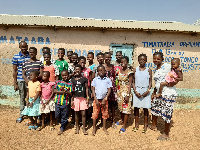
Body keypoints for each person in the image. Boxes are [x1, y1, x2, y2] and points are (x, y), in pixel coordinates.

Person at [151, 52, 181, 141]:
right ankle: (153, 126)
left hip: (168, 93)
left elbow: (177, 74)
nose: (156, 60)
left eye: (158, 59)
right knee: (154, 107)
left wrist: (172, 83)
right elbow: (157, 83)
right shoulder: (156, 69)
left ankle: (166, 133)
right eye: (154, 59)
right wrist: (154, 92)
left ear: (162, 59)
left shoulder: (168, 66)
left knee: (167, 112)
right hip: (158, 92)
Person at [132, 54, 152, 133]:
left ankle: (145, 125)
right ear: (138, 60)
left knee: (145, 109)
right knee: (136, 108)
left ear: (146, 61)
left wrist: (148, 90)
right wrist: (135, 91)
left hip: (145, 91)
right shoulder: (135, 69)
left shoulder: (148, 70)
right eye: (140, 60)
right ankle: (136, 124)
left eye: (143, 60)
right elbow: (133, 81)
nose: (142, 61)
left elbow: (150, 82)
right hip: (137, 90)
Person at [91, 65, 112, 136]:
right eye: (99, 71)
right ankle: (94, 128)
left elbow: (109, 90)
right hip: (97, 100)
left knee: (105, 114)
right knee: (95, 114)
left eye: (102, 70)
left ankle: (104, 127)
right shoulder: (95, 80)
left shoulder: (108, 80)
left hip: (104, 100)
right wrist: (96, 99)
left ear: (105, 71)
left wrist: (105, 99)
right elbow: (93, 89)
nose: (100, 72)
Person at [12, 41, 30, 123]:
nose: (24, 49)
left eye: (25, 47)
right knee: (22, 96)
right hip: (20, 80)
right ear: (19, 47)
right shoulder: (16, 57)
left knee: (29, 97)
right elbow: (15, 71)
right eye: (22, 47)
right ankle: (21, 114)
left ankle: (30, 114)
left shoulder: (31, 55)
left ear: (27, 46)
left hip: (29, 80)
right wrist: (15, 83)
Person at [116, 56, 133, 133]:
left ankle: (124, 126)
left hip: (126, 92)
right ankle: (122, 120)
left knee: (126, 109)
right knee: (121, 108)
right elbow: (117, 82)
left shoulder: (129, 72)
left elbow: (130, 84)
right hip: (119, 92)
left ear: (127, 62)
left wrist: (128, 95)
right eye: (121, 62)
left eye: (124, 62)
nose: (123, 63)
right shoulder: (118, 71)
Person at [71, 64, 89, 135]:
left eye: (78, 69)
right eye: (76, 69)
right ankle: (77, 127)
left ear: (81, 70)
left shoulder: (84, 79)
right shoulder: (72, 80)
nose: (77, 70)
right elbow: (72, 91)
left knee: (83, 113)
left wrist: (87, 97)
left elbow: (87, 88)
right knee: (76, 113)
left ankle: (84, 128)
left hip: (83, 98)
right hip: (76, 98)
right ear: (74, 70)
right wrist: (72, 100)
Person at [54, 70, 73, 135]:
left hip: (65, 102)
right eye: (63, 75)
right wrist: (62, 92)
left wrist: (66, 91)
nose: (65, 77)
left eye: (66, 75)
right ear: (61, 76)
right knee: (57, 115)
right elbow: (54, 90)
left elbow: (71, 94)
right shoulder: (58, 82)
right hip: (57, 101)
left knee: (64, 115)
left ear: (68, 75)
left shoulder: (70, 84)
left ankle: (62, 127)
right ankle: (63, 122)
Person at [103, 52, 117, 128]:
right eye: (106, 57)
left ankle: (113, 120)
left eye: (109, 57)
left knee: (112, 105)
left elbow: (114, 77)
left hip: (112, 88)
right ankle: (105, 119)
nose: (108, 59)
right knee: (104, 104)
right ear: (104, 58)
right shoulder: (102, 67)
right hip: (104, 88)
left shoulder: (113, 67)